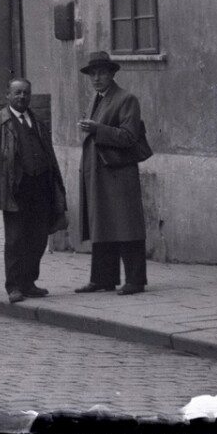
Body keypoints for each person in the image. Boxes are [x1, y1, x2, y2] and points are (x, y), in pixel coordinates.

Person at [0, 77, 69, 303]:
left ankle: (29, 282)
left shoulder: (37, 122)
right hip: (14, 189)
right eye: (17, 93)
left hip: (41, 188)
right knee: (16, 239)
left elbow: (49, 155)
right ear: (8, 95)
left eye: (26, 93)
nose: (22, 97)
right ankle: (14, 286)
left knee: (38, 238)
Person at [75, 50, 153, 295]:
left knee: (126, 224)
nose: (96, 78)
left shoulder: (126, 99)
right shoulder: (97, 98)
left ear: (111, 74)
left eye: (101, 73)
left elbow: (130, 136)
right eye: (93, 74)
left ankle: (135, 280)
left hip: (118, 173)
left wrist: (99, 129)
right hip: (99, 172)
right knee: (102, 224)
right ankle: (103, 279)